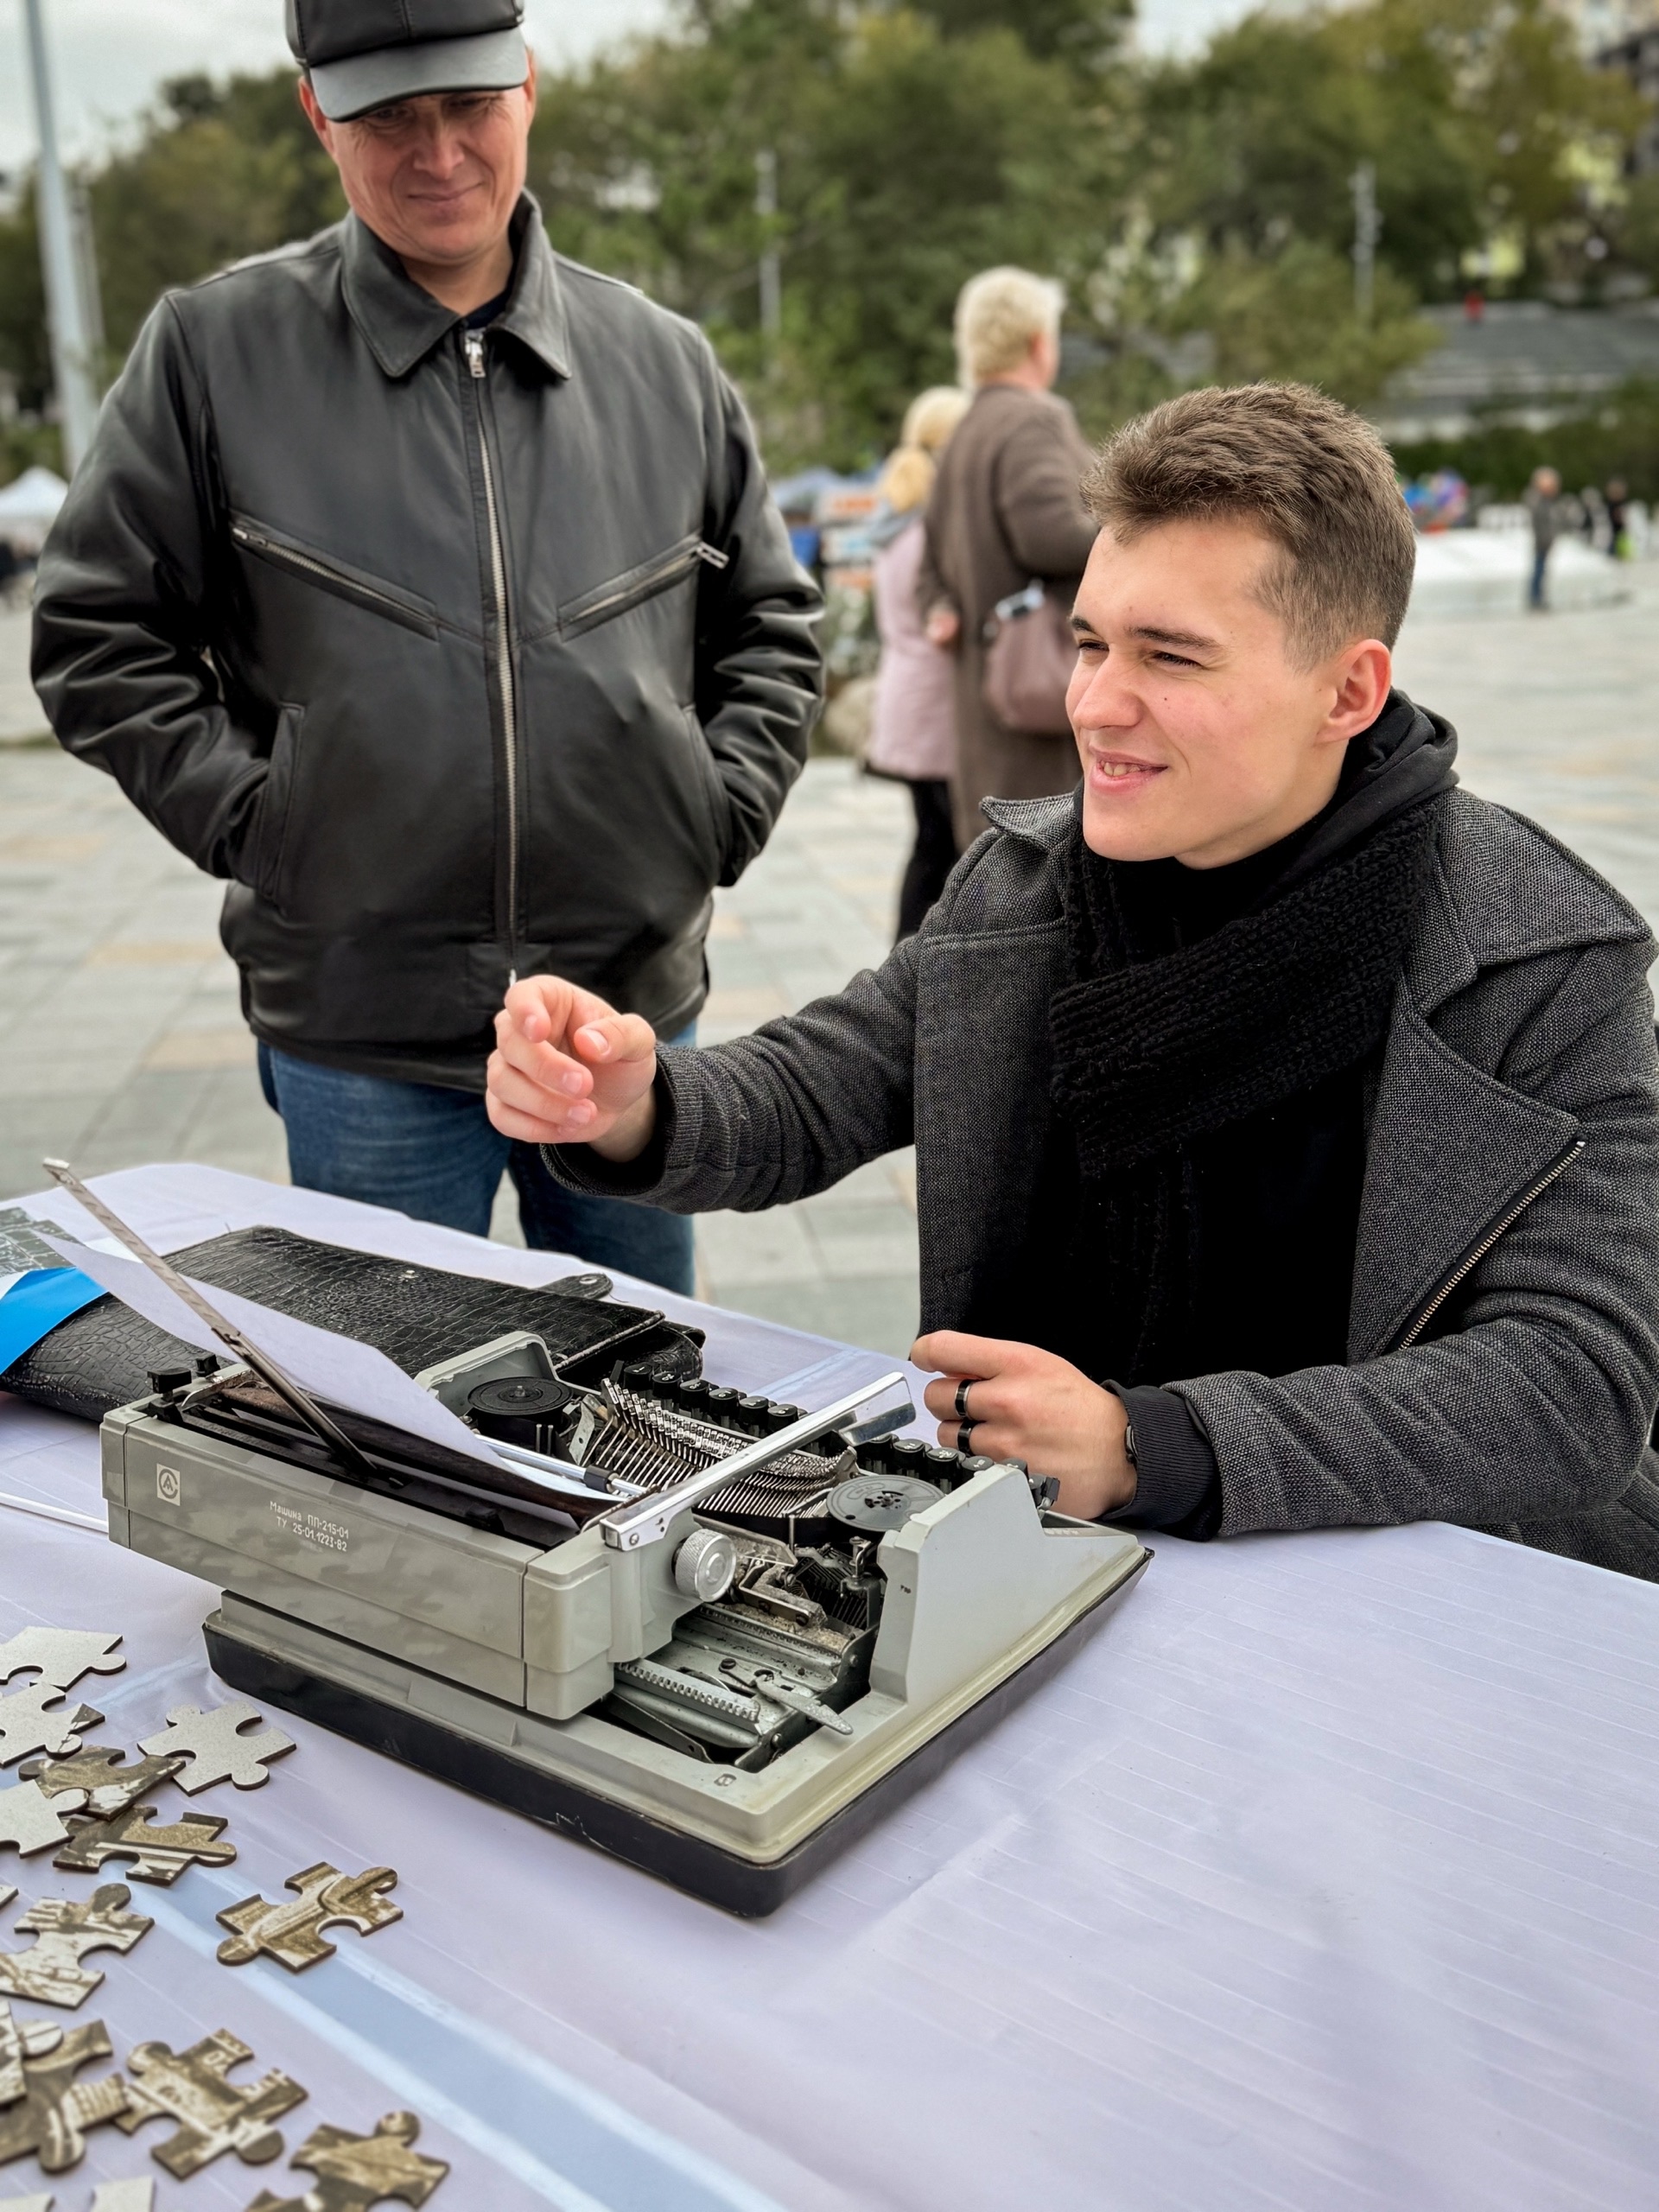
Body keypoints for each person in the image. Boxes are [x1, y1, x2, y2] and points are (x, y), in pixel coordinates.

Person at [485, 383, 1659, 1582]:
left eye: (1170, 656)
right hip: (1052, 1562)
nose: (1093, 704)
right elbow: (820, 1085)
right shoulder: (1024, 887)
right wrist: (635, 1102)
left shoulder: (1541, 957)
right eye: (1090, 642)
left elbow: (1578, 1379)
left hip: (1439, 1595)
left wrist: (1155, 1445)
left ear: (1347, 692)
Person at [30, 0, 821, 1296]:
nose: (439, 153)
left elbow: (773, 622)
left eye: (469, 106)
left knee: (651, 1388)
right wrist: (272, 826)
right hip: (364, 1031)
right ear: (317, 115)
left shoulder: (664, 361)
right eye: (390, 117)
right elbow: (94, 631)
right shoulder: (214, 352)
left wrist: (711, 812)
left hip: (621, 1020)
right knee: (382, 1399)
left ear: (528, 84)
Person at [919, 267, 1098, 853]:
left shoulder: (963, 431)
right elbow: (1051, 536)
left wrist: (941, 607)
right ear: (1039, 343)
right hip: (1040, 697)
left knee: (998, 865)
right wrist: (1138, 527)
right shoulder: (1033, 419)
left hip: (986, 698)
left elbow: (929, 566)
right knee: (1051, 862)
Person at [866, 385, 971, 939]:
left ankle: (910, 953)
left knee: (930, 837)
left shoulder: (895, 519)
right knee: (942, 844)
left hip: (904, 691)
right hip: (933, 700)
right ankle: (914, 954)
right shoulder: (927, 526)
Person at [1526, 465, 1562, 610]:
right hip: (1541, 542)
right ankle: (1535, 597)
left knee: (1542, 571)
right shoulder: (1538, 501)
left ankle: (1538, 596)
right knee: (1539, 570)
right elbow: (1541, 524)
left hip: (1546, 542)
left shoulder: (1546, 502)